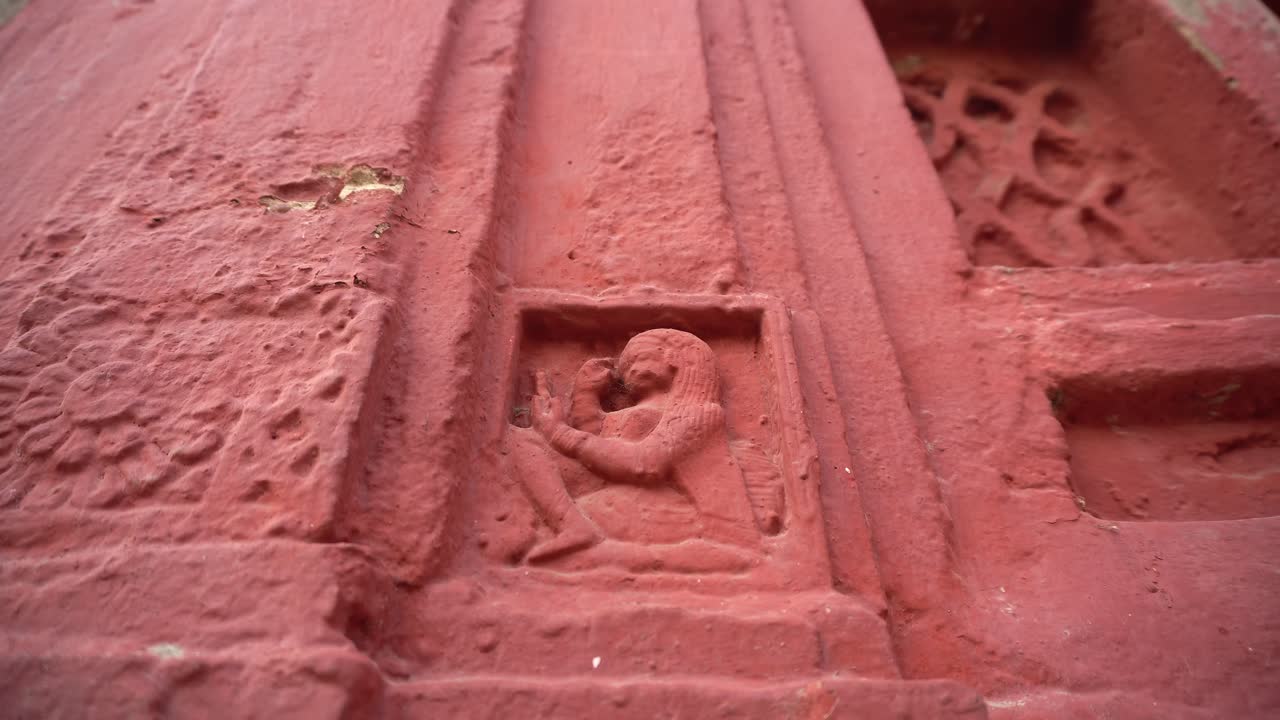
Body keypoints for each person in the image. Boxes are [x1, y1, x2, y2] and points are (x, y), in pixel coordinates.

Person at [509, 329, 760, 562]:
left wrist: (558, 433)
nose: (627, 371)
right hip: (637, 496)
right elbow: (601, 444)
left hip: (696, 519)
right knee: (521, 442)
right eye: (625, 367)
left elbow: (643, 462)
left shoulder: (701, 413)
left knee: (594, 506)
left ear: (675, 359)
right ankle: (573, 527)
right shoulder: (644, 412)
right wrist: (584, 394)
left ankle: (577, 528)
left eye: (639, 358)